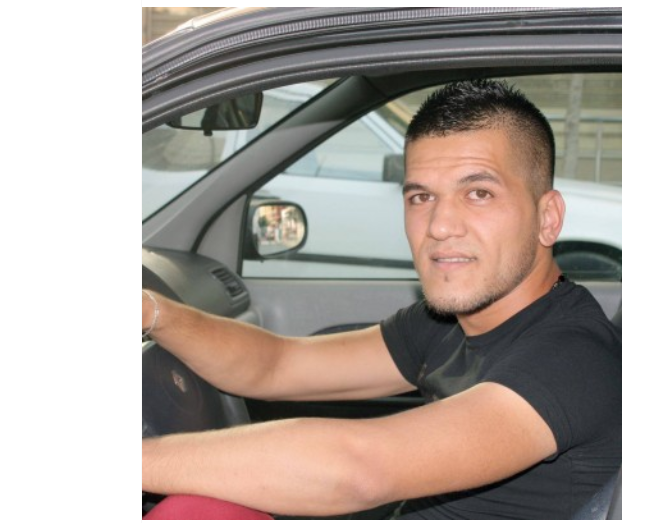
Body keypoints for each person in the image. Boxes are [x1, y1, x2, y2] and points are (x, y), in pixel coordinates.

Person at [141, 79, 621, 519]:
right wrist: (153, 312)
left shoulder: (573, 359)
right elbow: (276, 364)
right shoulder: (445, 324)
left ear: (547, 218)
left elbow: (357, 469)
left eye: (478, 193)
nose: (439, 226)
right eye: (421, 198)